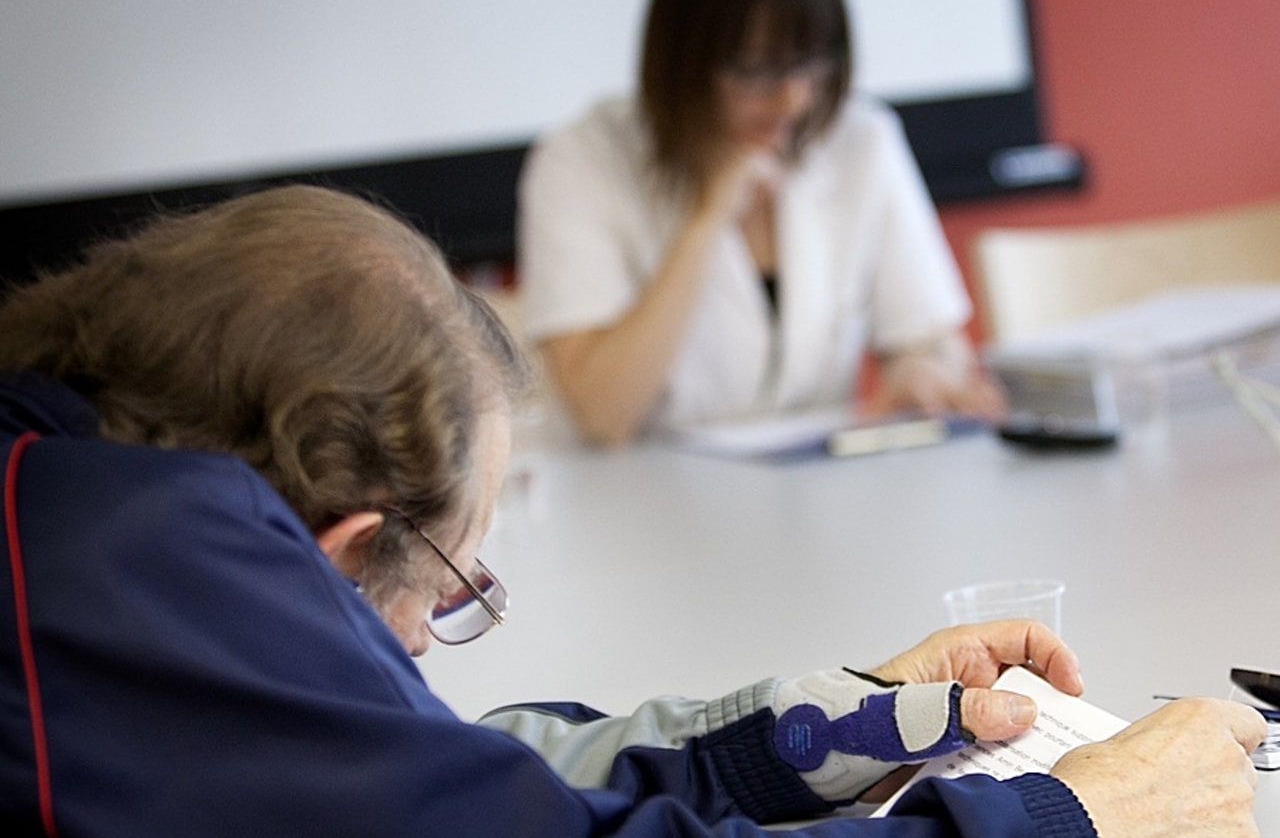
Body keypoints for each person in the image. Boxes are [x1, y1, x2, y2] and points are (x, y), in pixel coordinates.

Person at [0, 185, 1263, 837]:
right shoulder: (134, 593)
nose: (433, 644)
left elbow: (453, 792)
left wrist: (806, 732)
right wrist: (1069, 811)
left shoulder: (78, 512)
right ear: (338, 547)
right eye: (454, 582)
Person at [518, 0, 1008, 447]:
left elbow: (932, 339)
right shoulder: (581, 161)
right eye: (757, 71)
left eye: (811, 63)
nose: (793, 100)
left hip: (818, 493)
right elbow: (601, 414)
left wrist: (922, 369)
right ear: (683, 63)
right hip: (635, 505)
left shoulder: (861, 141)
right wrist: (705, 221)